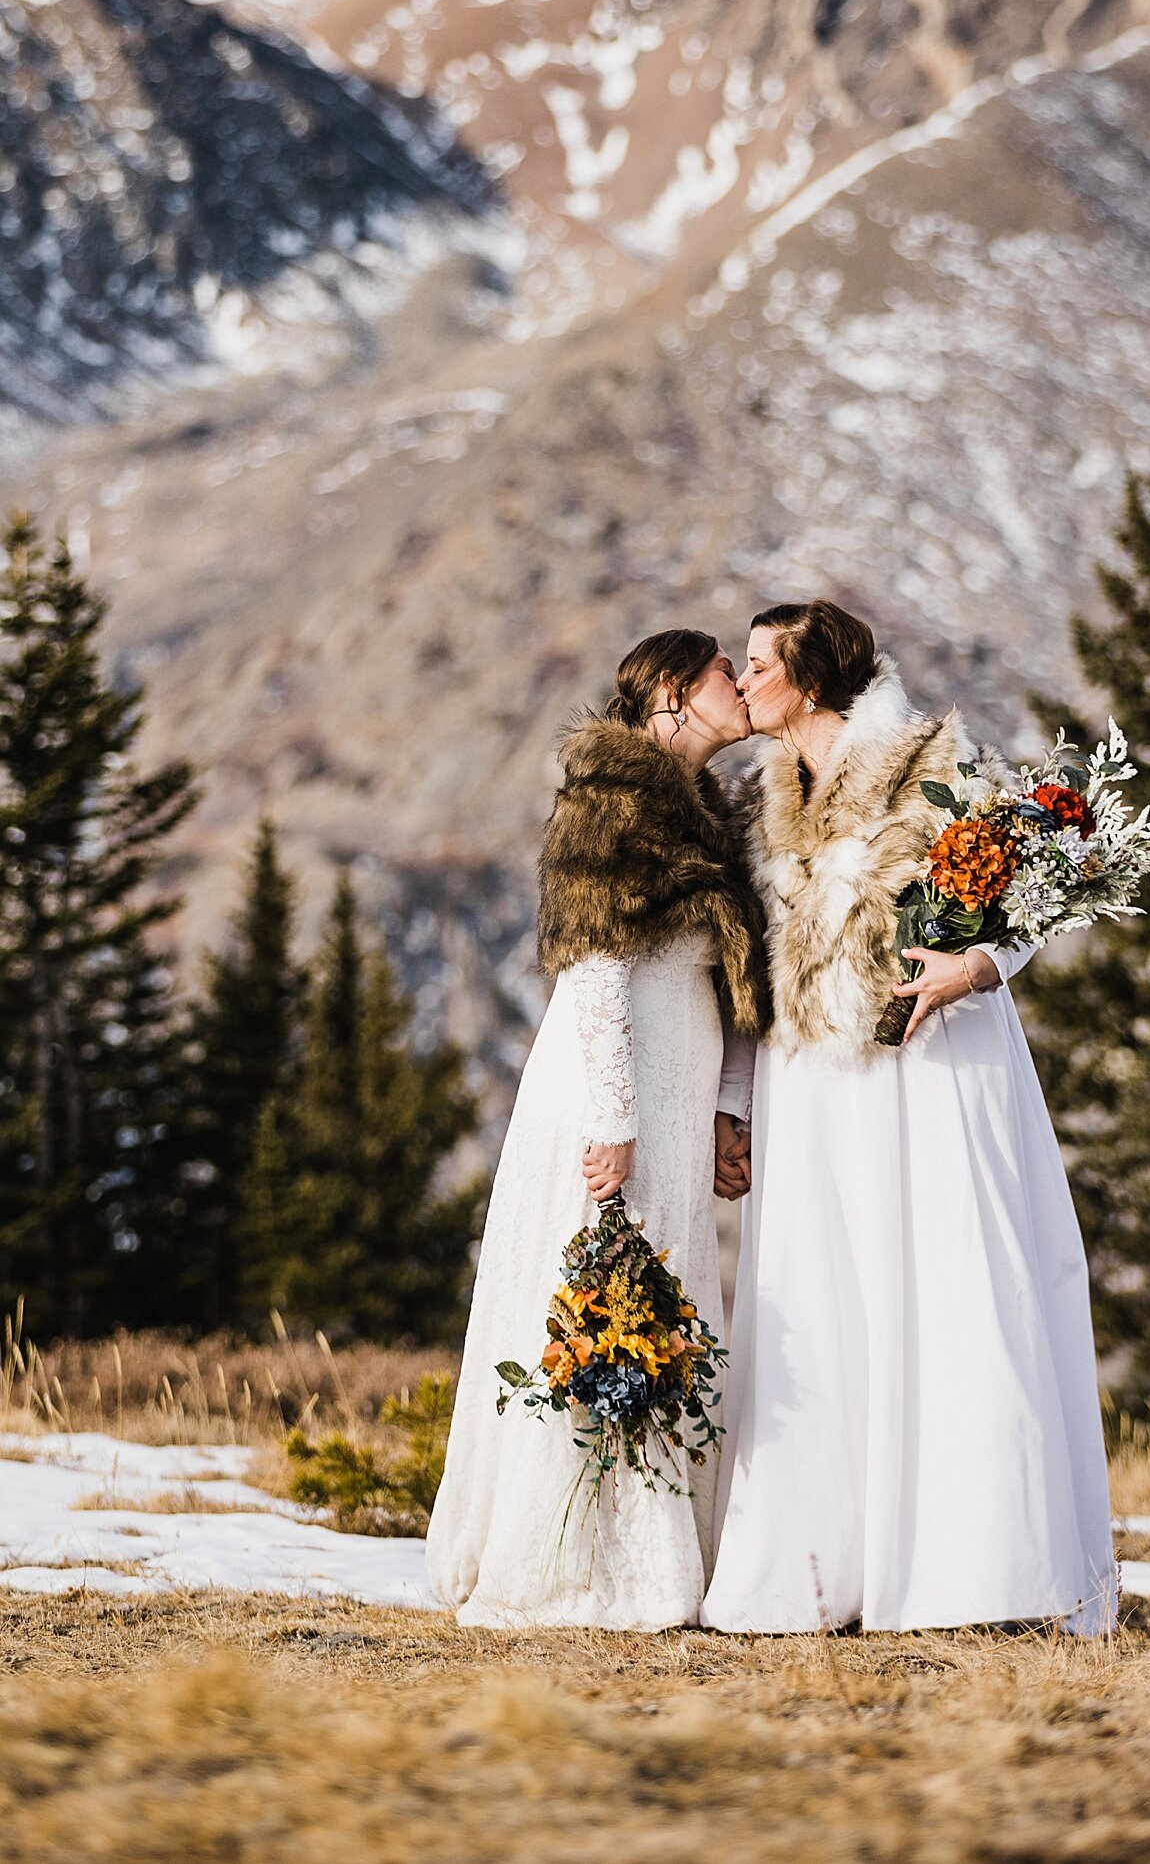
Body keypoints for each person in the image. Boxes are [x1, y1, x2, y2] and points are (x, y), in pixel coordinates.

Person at [701, 598, 1117, 1635]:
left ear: (810, 676)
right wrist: (736, 1102)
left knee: (943, 1288)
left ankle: (970, 1568)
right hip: (811, 1085)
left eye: (759, 664)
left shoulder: (930, 759)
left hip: (928, 1064)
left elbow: (1038, 883)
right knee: (821, 1299)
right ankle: (818, 1568)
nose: (743, 681)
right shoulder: (762, 799)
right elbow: (759, 972)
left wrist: (975, 964)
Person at [426, 629, 768, 1628]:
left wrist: (725, 1106)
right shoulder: (610, 799)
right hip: (609, 1084)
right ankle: (574, 1558)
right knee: (596, 1290)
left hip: (683, 1078)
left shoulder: (714, 813)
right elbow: (594, 964)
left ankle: (660, 1547)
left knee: (662, 1294)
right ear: (671, 691)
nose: (739, 685)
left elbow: (738, 980)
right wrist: (613, 1116)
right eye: (720, 674)